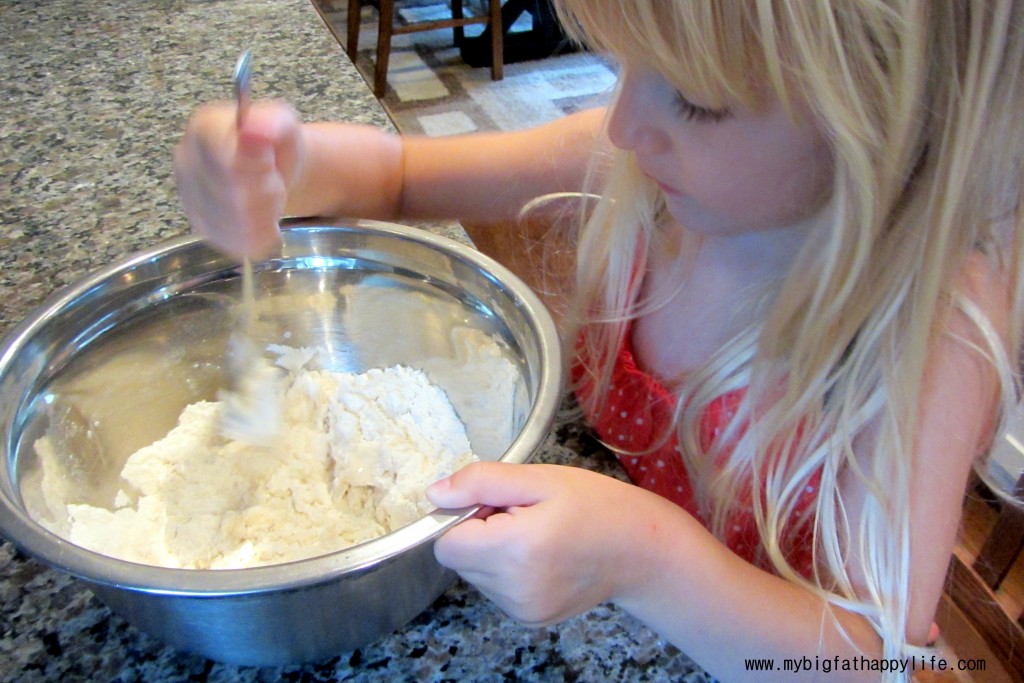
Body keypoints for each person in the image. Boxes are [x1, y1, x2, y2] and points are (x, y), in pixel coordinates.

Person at [173, 1, 1024, 680]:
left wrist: (645, 559)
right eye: (623, 66)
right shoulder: (638, 175)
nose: (620, 125)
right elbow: (400, 178)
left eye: (694, 96)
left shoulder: (932, 330)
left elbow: (877, 658)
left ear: (895, 115)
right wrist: (284, 166)